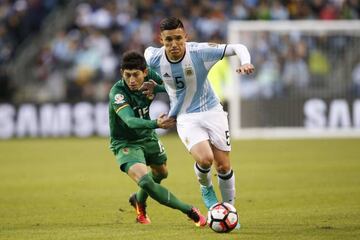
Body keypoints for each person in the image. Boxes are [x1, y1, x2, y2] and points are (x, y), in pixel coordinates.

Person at [142, 17, 255, 215]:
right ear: (161, 40)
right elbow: (160, 72)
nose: (174, 44)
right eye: (168, 40)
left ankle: (229, 209)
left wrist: (246, 62)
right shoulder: (154, 57)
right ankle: (206, 188)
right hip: (186, 117)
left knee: (223, 166)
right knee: (205, 160)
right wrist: (153, 84)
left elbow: (238, 47)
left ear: (185, 36)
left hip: (212, 111)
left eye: (178, 38)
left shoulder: (200, 51)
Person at [108, 51, 206, 227]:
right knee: (145, 181)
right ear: (122, 72)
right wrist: (157, 124)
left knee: (161, 173)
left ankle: (138, 200)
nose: (131, 80)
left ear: (145, 72)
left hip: (147, 137)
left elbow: (174, 87)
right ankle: (190, 211)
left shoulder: (151, 76)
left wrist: (157, 88)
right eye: (127, 75)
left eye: (135, 75)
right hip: (126, 143)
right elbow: (130, 121)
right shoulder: (118, 93)